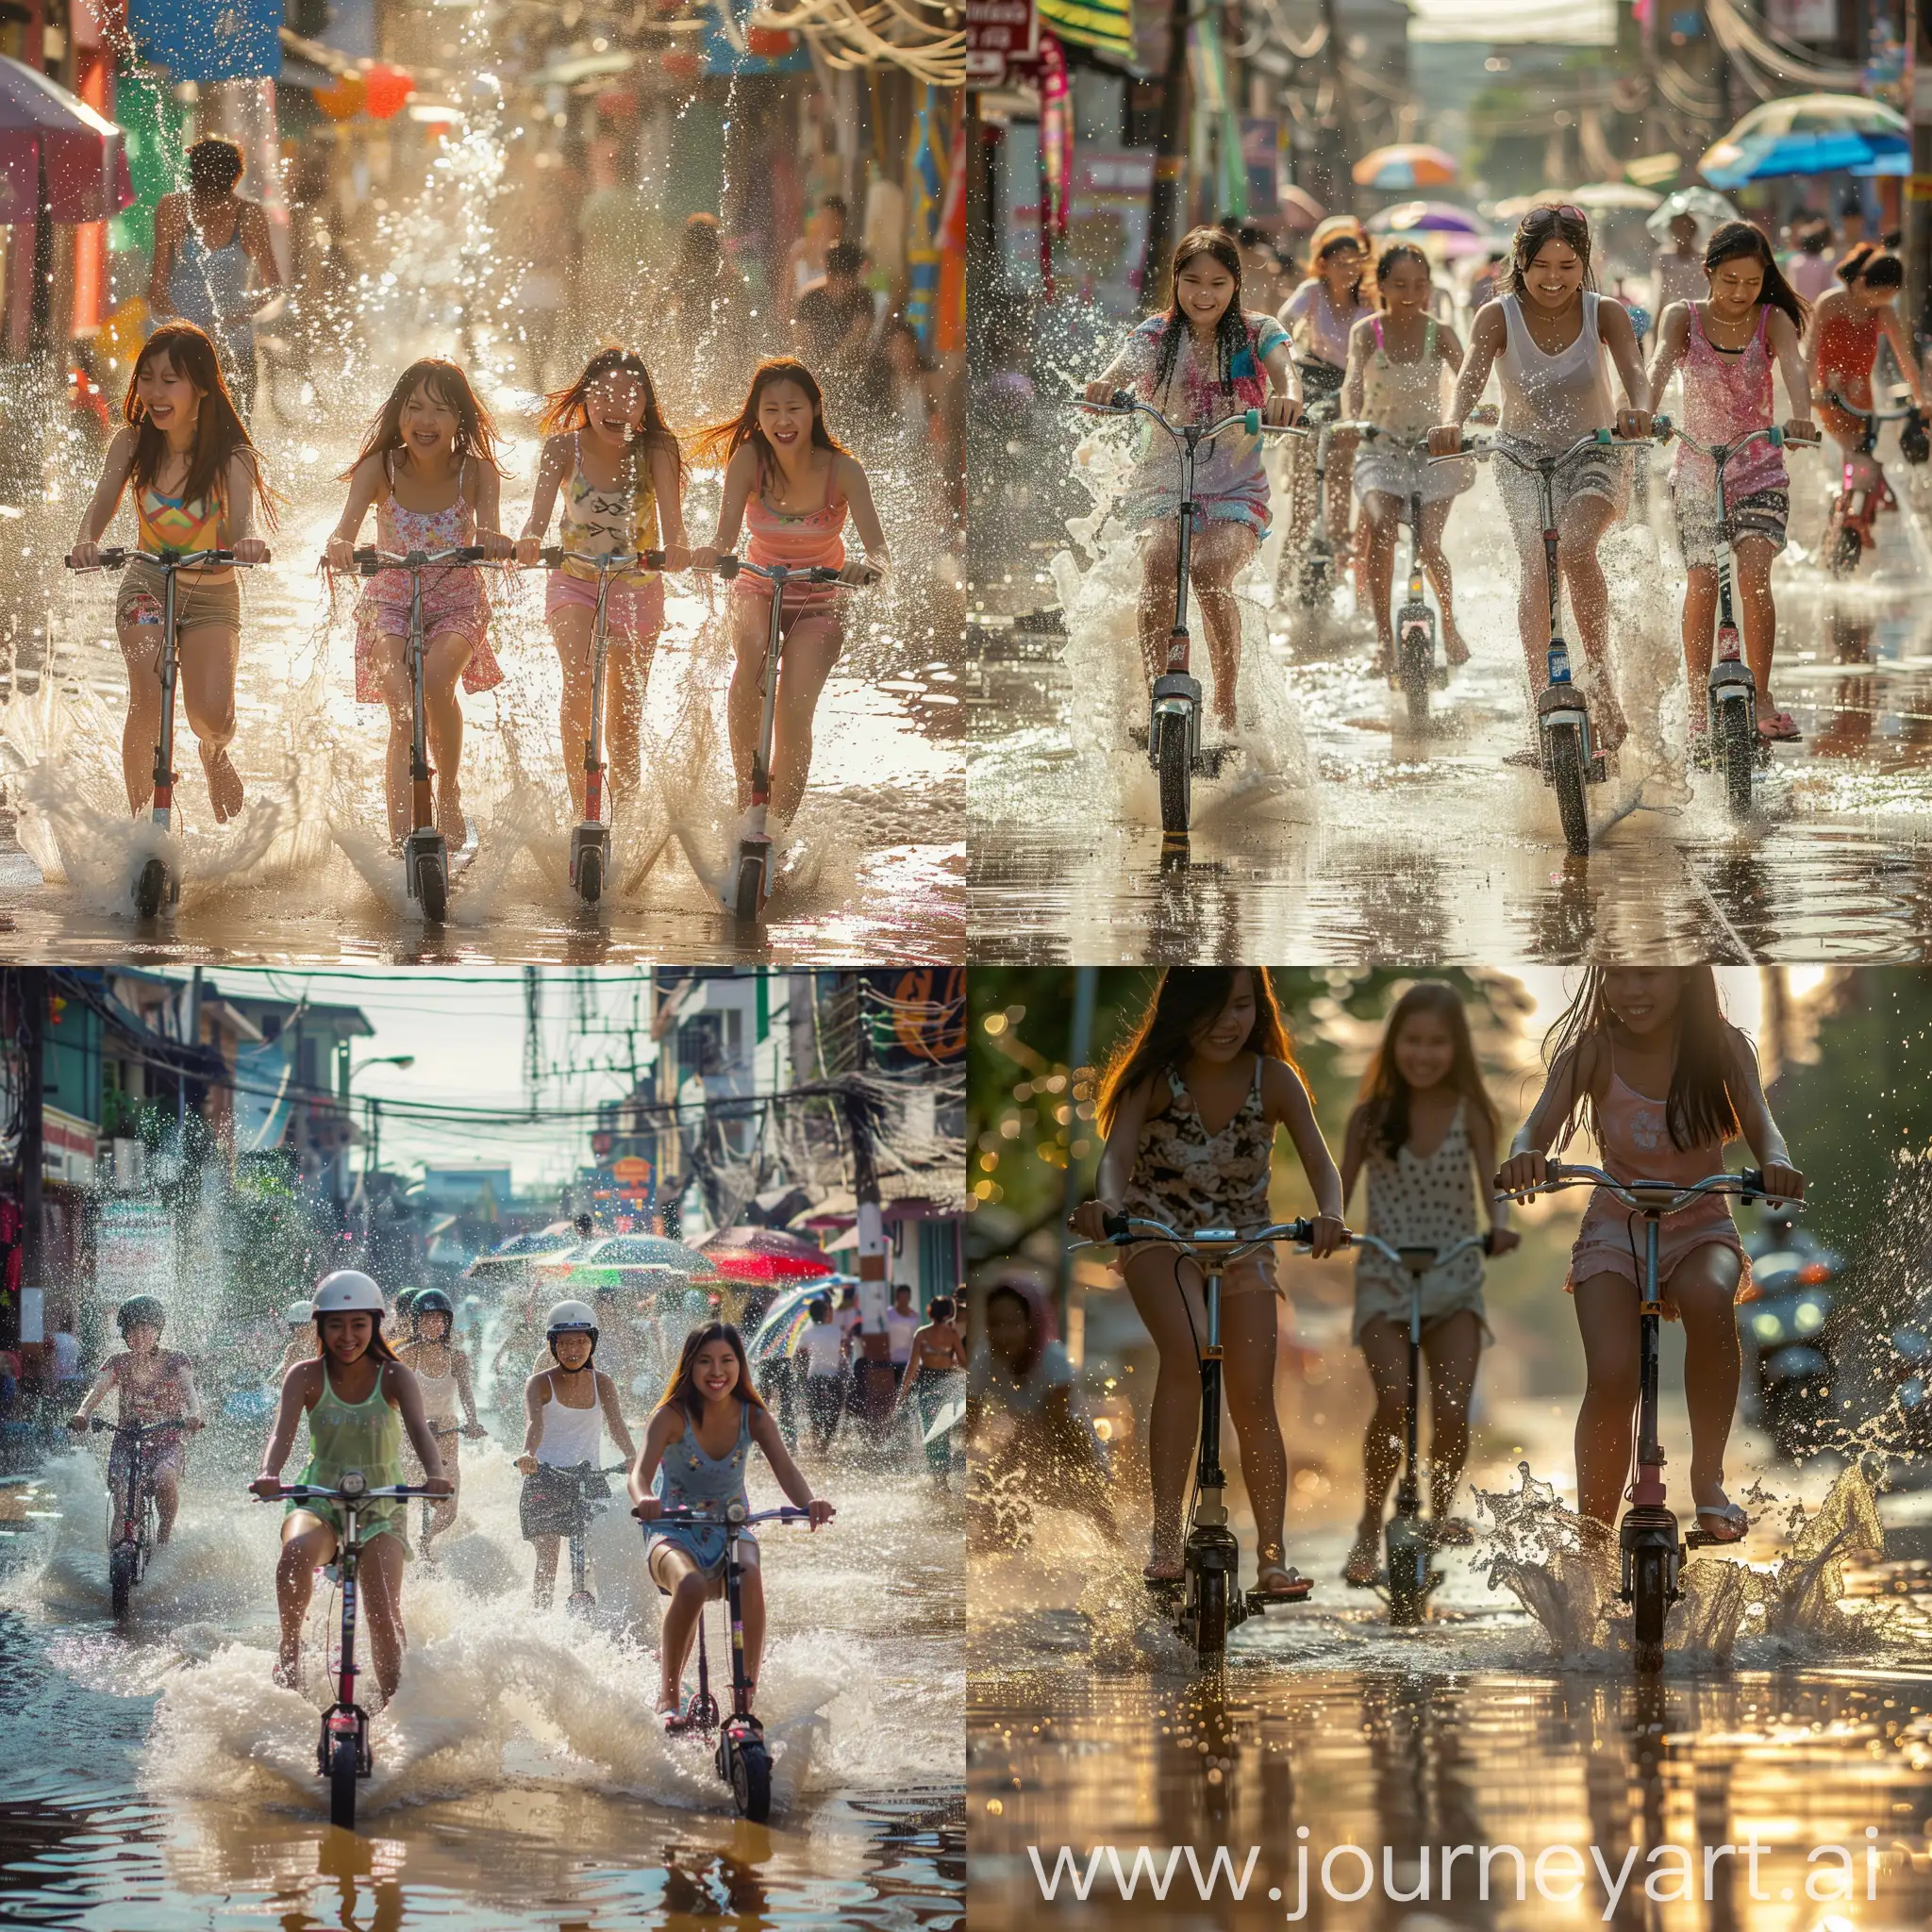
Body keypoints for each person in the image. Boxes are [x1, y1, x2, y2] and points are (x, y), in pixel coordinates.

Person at [1497, 968, 1804, 1544]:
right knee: (1614, 1374)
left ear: (1686, 975)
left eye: (1651, 975)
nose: (1634, 990)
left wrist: (1777, 1165)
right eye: (1619, 975)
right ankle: (1591, 1537)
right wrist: (1526, 1156)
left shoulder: (1723, 1045)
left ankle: (1708, 1485)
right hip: (1616, 1225)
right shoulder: (1591, 1053)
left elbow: (1766, 1131)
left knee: (1712, 1299)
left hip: (1702, 1220)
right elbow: (1533, 1130)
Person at [1070, 967, 1345, 1597]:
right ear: (1180, 1011)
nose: (1229, 1022)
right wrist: (1107, 1208)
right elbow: (1115, 1161)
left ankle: (1273, 1557)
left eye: (1243, 1006)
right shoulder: (1152, 1080)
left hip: (1246, 1245)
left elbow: (1319, 1161)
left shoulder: (1273, 1079)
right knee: (1191, 1355)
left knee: (1254, 1394)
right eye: (1214, 1008)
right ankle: (1166, 1539)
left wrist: (1330, 1216)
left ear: (1260, 1010)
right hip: (1156, 1239)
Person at [1428, 205, 1654, 759]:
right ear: (1520, 263)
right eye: (1541, 266)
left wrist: (1639, 411)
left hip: (1595, 450)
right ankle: (1542, 706)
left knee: (1576, 548)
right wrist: (1454, 421)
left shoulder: (1606, 314)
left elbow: (1636, 376)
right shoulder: (1496, 316)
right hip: (1522, 454)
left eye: (1567, 265)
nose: (1554, 278)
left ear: (1585, 264)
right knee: (1538, 561)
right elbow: (1470, 379)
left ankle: (1601, 683)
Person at [1083, 227, 1302, 736]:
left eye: (1218, 283)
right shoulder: (1155, 335)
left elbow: (1287, 375)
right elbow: (1118, 372)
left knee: (1208, 570)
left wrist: (1286, 397)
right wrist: (1103, 388)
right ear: (1175, 281)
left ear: (1235, 284)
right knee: (1159, 562)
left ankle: (1225, 709)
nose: (1204, 294)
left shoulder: (1258, 331)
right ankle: (1152, 697)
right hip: (1162, 480)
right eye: (1192, 281)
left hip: (1236, 488)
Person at [1337, 983, 1518, 1586]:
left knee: (1451, 1411)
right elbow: (1339, 1190)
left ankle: (1437, 1520)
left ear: (1455, 1047)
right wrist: (1329, 1225)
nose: (1424, 1053)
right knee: (1394, 1403)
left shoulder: (1472, 1113)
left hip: (1456, 1279)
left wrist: (1503, 1227)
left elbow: (1494, 1187)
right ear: (1395, 1046)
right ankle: (1368, 1526)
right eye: (1413, 1040)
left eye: (1437, 1042)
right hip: (1385, 1280)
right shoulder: (1369, 1117)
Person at [68, 322, 275, 824]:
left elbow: (242, 521)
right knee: (148, 688)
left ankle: (212, 753)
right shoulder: (132, 442)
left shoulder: (232, 456)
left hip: (212, 596)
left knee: (212, 718)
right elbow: (101, 504)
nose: (154, 393)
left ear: (201, 386)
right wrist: (85, 543)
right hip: (147, 583)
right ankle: (146, 825)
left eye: (170, 381)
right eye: (147, 379)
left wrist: (246, 542)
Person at [688, 358, 890, 845]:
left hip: (821, 598)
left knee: (794, 710)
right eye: (772, 409)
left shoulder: (843, 470)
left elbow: (880, 551)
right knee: (753, 650)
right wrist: (710, 554)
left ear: (814, 411)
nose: (783, 420)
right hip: (759, 584)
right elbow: (724, 539)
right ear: (757, 415)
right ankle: (746, 798)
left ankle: (773, 833)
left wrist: (868, 569)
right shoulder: (747, 461)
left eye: (794, 409)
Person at [325, 359, 515, 848]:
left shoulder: (477, 473)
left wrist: (494, 539)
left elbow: (491, 526)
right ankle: (398, 837)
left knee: (433, 682)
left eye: (439, 410)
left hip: (458, 603)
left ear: (460, 422)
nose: (424, 422)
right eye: (414, 408)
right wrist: (340, 546)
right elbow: (344, 529)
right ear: (399, 414)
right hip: (389, 600)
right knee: (401, 705)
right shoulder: (379, 468)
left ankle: (447, 793)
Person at [1644, 222, 1817, 749]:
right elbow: (1656, 367)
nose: (1741, 292)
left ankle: (1761, 695)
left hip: (1758, 466)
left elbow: (1794, 366)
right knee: (1700, 579)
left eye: (1752, 280)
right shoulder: (1683, 317)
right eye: (1730, 280)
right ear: (1709, 272)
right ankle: (1699, 706)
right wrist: (1642, 415)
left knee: (1755, 575)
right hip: (1696, 466)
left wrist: (1802, 419)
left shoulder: (1775, 319)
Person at [251, 1271, 451, 1693]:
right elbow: (280, 1433)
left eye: (358, 1324)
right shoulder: (303, 1375)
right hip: (317, 1497)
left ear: (375, 1325)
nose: (347, 1336)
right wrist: (269, 1473)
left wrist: (437, 1474)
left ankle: (395, 1705)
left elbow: (419, 1431)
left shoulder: (395, 1375)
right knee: (293, 1556)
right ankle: (289, 1649)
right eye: (336, 1325)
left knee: (382, 1612)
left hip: (382, 1502)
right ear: (320, 1326)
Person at [516, 346, 691, 822]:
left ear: (645, 404)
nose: (617, 406)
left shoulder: (658, 450)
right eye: (604, 394)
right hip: (575, 582)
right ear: (585, 400)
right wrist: (529, 538)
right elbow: (535, 520)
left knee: (624, 717)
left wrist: (678, 549)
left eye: (630, 396)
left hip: (637, 586)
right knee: (578, 679)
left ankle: (627, 816)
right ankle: (584, 811)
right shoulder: (560, 448)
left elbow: (675, 529)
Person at [631, 1321, 834, 1725]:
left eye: (727, 1360)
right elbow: (638, 1475)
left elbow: (788, 1472)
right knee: (688, 1586)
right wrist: (646, 1500)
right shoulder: (670, 1416)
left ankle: (746, 1697)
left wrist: (810, 1503)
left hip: (731, 1527)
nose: (716, 1371)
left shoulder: (754, 1417)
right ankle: (667, 1697)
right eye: (705, 1361)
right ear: (689, 1367)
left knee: (749, 1572)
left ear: (741, 1366)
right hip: (671, 1529)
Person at [1339, 242, 1474, 675]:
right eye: (1400, 284)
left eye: (1420, 284)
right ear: (1380, 285)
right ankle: (1383, 642)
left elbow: (1469, 379)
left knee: (1429, 543)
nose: (1411, 292)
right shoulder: (1366, 333)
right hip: (1379, 448)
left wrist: (1474, 417)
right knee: (1380, 530)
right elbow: (1352, 386)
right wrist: (1351, 420)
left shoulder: (1441, 332)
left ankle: (1450, 626)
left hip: (1432, 453)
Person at [967, 1271, 1118, 1545]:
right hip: (1023, 1440)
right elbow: (970, 1420)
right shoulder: (985, 1359)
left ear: (1032, 1323)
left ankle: (1116, 1549)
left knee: (1098, 1514)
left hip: (1071, 1444)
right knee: (994, 1507)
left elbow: (1057, 1422)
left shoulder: (1054, 1360)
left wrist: (1013, 1464)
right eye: (995, 1324)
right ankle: (1002, 1556)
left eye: (1013, 1323)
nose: (1003, 1333)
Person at [146, 136, 282, 422]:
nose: (211, 189)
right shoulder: (172, 208)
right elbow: (156, 287)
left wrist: (239, 314)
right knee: (174, 432)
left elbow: (274, 287)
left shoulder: (250, 215)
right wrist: (181, 329)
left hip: (234, 343)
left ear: (234, 179)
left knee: (235, 431)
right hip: (178, 346)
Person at [514, 1299, 637, 1610]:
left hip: (590, 1478)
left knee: (603, 1551)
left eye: (581, 1342)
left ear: (592, 1343)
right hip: (545, 1477)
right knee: (548, 1554)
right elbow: (535, 1423)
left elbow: (618, 1426)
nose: (573, 1349)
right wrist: (528, 1454)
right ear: (553, 1345)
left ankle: (602, 1614)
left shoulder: (604, 1383)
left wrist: (633, 1456)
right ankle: (540, 1618)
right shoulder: (538, 1383)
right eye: (566, 1342)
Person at [1806, 245, 1929, 532]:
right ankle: (1847, 517)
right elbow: (1810, 354)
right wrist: (1814, 390)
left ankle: (1854, 515)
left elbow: (1906, 359)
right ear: (1862, 282)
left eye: (1889, 297)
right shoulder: (1830, 303)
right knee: (1858, 457)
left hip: (1863, 401)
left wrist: (1922, 399)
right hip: (1829, 398)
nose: (1881, 302)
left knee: (1862, 459)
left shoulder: (1883, 313)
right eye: (1879, 294)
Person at [67, 1294, 205, 1549]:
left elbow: (189, 1390)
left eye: (145, 1328)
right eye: (132, 1329)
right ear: (124, 1333)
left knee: (165, 1478)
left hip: (167, 1440)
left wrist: (194, 1414)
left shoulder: (176, 1359)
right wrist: (83, 1413)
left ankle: (163, 1538)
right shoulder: (117, 1362)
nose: (139, 1335)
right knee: (123, 1500)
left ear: (157, 1330)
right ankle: (118, 1560)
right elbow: (97, 1389)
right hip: (127, 1440)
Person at [1280, 217, 1373, 574]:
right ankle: (1283, 587)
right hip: (1311, 382)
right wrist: (1283, 365)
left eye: (1354, 263)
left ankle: (1338, 555)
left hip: (1349, 389)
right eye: (1339, 263)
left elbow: (1377, 352)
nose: (1348, 270)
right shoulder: (1312, 292)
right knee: (1304, 499)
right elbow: (1284, 321)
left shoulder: (1368, 303)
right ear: (1324, 265)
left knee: (1340, 476)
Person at [395, 1288, 486, 1558]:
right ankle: (402, 1542)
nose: (433, 1325)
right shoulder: (408, 1355)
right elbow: (392, 1393)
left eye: (438, 1319)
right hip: (411, 1431)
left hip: (446, 1431)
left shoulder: (457, 1357)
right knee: (409, 1488)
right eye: (426, 1319)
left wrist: (473, 1423)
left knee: (449, 1508)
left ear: (447, 1323)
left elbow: (467, 1394)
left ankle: (425, 1540)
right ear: (415, 1322)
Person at [891, 1292, 967, 1486]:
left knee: (930, 1431)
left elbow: (913, 1366)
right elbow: (965, 1363)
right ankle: (943, 1479)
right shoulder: (952, 1335)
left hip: (927, 1385)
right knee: (944, 1430)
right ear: (949, 1313)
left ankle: (936, 1477)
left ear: (930, 1312)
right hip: (946, 1384)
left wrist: (903, 1393)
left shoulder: (922, 1334)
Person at [792, 242, 874, 376]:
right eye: (837, 278)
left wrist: (830, 367)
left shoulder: (863, 297)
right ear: (829, 275)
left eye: (849, 279)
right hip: (813, 370)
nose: (843, 285)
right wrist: (815, 370)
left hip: (850, 370)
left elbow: (858, 335)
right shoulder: (810, 298)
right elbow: (802, 341)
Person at [795, 1293, 846, 1453]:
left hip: (814, 1377)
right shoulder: (836, 1331)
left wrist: (800, 1376)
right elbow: (844, 1350)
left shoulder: (806, 1333)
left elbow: (799, 1355)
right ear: (825, 1313)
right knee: (834, 1413)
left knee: (815, 1412)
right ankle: (825, 1445)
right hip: (833, 1377)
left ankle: (816, 1445)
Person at [785, 194, 848, 310]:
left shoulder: (842, 255)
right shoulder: (800, 249)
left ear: (841, 223)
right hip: (797, 317)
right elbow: (785, 294)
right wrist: (785, 320)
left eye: (832, 219)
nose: (826, 224)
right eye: (824, 217)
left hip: (825, 316)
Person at [1651, 210, 1706, 319]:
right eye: (1677, 229)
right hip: (1672, 314)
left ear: (1692, 231)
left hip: (1697, 315)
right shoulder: (1665, 258)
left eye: (1685, 228)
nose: (1682, 233)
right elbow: (1661, 293)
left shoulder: (1702, 259)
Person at [1787, 219, 1838, 305]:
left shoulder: (1795, 262)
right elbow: (1826, 290)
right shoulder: (1824, 265)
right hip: (1817, 307)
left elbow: (1791, 287)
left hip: (1799, 306)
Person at [275, 1299, 314, 1379]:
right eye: (292, 1326)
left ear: (315, 1324)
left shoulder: (331, 1350)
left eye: (302, 1324)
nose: (297, 1330)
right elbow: (274, 1383)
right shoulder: (293, 1351)